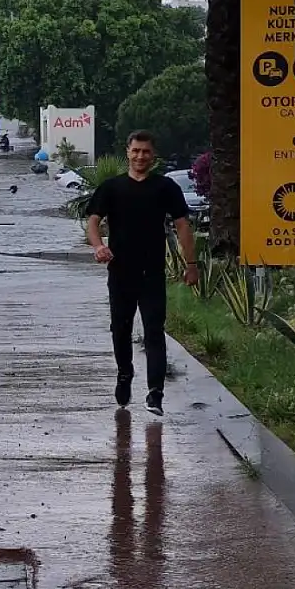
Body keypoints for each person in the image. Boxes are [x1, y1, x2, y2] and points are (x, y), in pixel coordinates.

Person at [86, 130, 198, 416]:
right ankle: (125, 374)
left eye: (146, 152)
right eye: (136, 151)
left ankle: (155, 393)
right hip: (121, 273)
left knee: (154, 332)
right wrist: (99, 246)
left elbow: (183, 225)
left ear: (153, 155)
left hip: (152, 273)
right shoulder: (111, 188)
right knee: (120, 330)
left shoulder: (166, 188)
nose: (140, 156)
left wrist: (191, 264)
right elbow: (94, 221)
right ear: (128, 152)